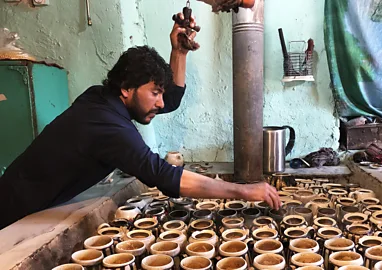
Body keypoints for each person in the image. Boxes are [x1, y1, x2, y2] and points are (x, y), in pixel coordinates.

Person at [0, 14, 280, 230]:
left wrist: (179, 53)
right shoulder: (106, 125)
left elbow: (169, 101)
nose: (160, 102)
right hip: (10, 213)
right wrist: (242, 191)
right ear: (126, 88)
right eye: (155, 92)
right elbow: (163, 175)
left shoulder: (102, 98)